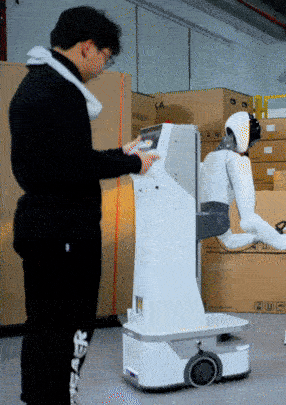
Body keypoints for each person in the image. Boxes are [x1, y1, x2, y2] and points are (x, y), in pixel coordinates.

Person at [9, 6, 159, 404]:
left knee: (44, 327)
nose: (104, 67)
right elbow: (74, 166)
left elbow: (63, 157)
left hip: (43, 225)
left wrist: (118, 153)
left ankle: (41, 398)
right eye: (106, 57)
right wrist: (132, 164)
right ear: (87, 47)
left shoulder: (38, 82)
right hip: (65, 229)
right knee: (70, 327)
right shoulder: (61, 91)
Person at [198, 111, 286, 250]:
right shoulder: (237, 161)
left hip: (201, 221)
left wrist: (259, 237)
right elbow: (248, 220)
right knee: (273, 237)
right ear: (244, 133)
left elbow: (229, 242)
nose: (250, 147)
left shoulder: (208, 159)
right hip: (218, 220)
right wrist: (282, 239)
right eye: (251, 142)